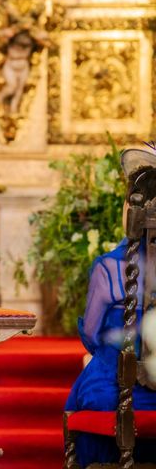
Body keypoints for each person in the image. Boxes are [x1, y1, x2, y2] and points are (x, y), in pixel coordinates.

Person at [65, 147, 156, 466]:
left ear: (131, 211)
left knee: (90, 385)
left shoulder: (110, 268)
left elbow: (91, 336)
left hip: (115, 392)